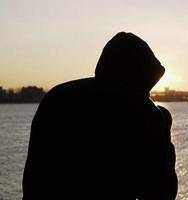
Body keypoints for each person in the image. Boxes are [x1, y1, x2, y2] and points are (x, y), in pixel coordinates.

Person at [22, 32, 178, 199]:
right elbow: (161, 191)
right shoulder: (142, 109)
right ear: (144, 76)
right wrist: (163, 133)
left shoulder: (56, 95)